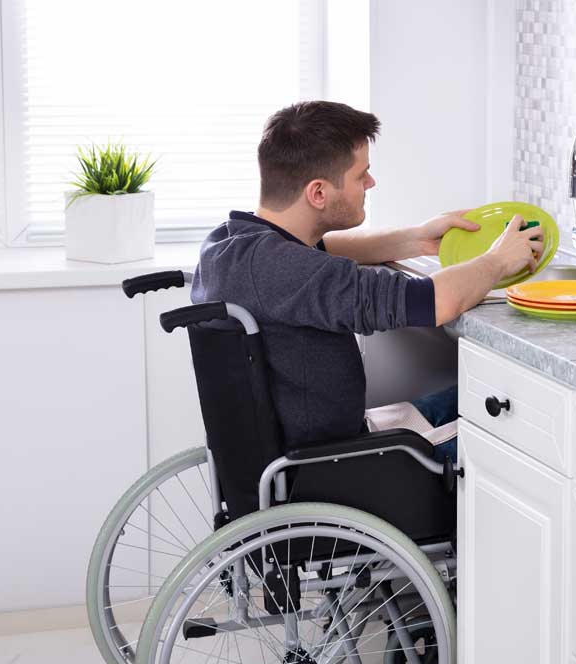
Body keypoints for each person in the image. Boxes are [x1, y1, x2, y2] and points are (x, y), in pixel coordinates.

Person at [191, 100, 540, 462]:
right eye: (361, 175)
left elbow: (330, 249)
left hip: (309, 449)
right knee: (522, 423)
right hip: (340, 467)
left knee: (471, 394)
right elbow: (436, 301)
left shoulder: (231, 245)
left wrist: (415, 238)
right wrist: (499, 259)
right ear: (319, 193)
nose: (371, 182)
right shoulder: (292, 272)